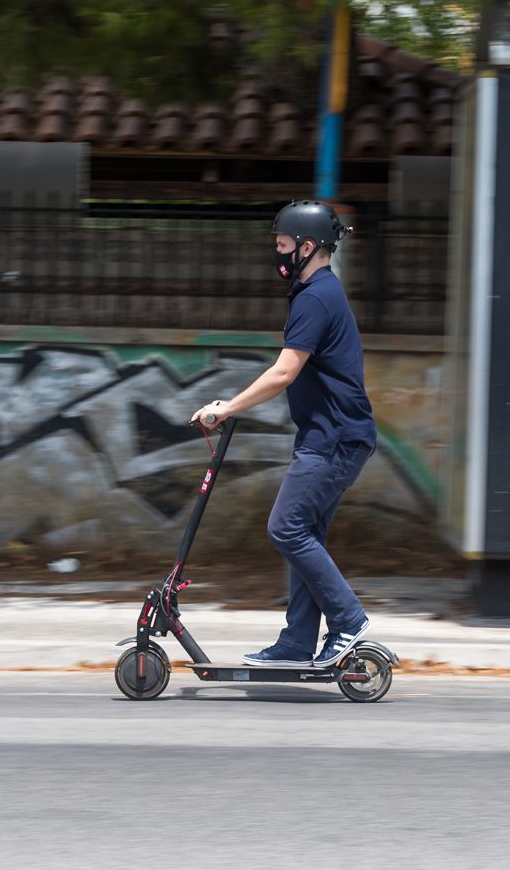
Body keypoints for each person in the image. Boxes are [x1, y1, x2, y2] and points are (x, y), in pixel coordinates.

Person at [190, 200, 378, 669]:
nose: (277, 253)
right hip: (332, 434)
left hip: (333, 437)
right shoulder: (320, 292)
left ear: (307, 246)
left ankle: (349, 622)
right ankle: (297, 642)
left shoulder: (315, 297)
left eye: (282, 244)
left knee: (286, 527)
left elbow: (284, 372)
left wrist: (226, 408)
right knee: (304, 530)